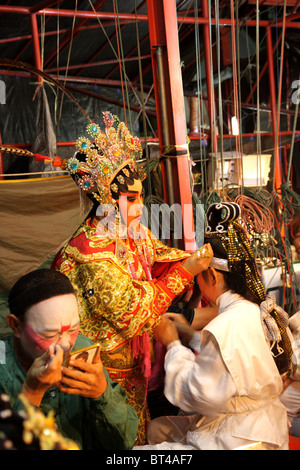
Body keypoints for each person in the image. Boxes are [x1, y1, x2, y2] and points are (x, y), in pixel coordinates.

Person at [51, 111, 212, 444]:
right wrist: (188, 270)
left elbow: (158, 255)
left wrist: (194, 261)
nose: (139, 207)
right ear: (108, 200)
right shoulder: (90, 254)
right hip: (100, 377)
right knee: (113, 440)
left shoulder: (128, 230)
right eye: (132, 199)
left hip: (133, 368)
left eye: (139, 196)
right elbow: (134, 313)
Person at [136, 202, 293, 450]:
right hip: (260, 423)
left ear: (212, 275)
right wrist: (189, 334)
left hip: (238, 437)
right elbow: (235, 360)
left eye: (199, 273)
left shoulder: (228, 323)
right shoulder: (252, 309)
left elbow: (199, 395)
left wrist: (173, 345)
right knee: (157, 428)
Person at [0, 268, 139, 450]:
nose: (66, 344)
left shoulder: (82, 347)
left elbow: (124, 443)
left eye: (73, 329)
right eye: (50, 333)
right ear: (16, 326)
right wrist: (31, 394)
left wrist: (102, 395)